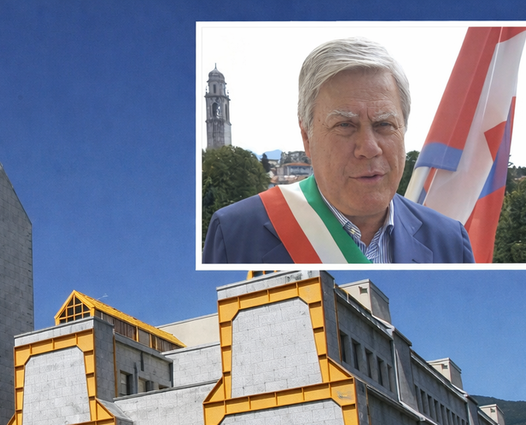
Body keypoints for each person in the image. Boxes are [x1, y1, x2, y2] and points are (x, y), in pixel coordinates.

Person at [202, 38, 475, 265]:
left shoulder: (450, 242)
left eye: (384, 124)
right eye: (345, 125)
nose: (369, 148)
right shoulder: (234, 235)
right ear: (307, 136)